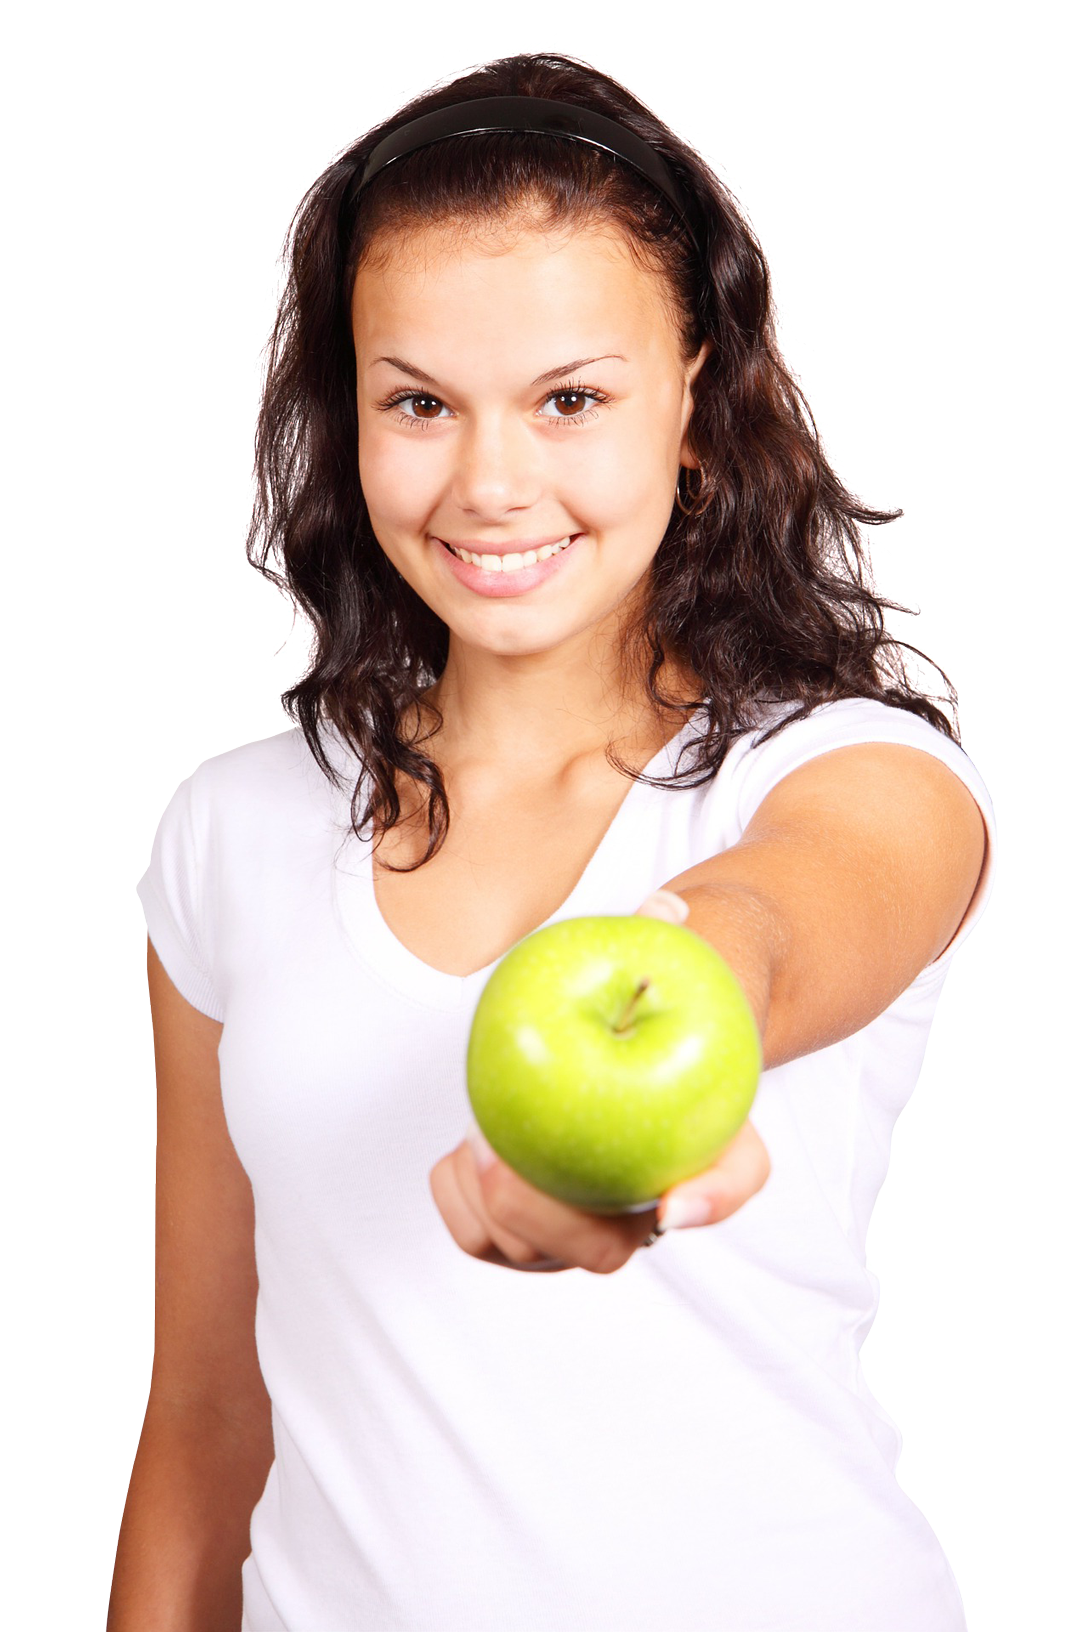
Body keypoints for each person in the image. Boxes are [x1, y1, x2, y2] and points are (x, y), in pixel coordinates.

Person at [107, 46, 996, 1632]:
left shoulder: (851, 776)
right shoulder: (231, 834)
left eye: (571, 399)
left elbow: (773, 923)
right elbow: (203, 1414)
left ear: (699, 411)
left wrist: (670, 1040)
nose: (491, 480)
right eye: (420, 403)